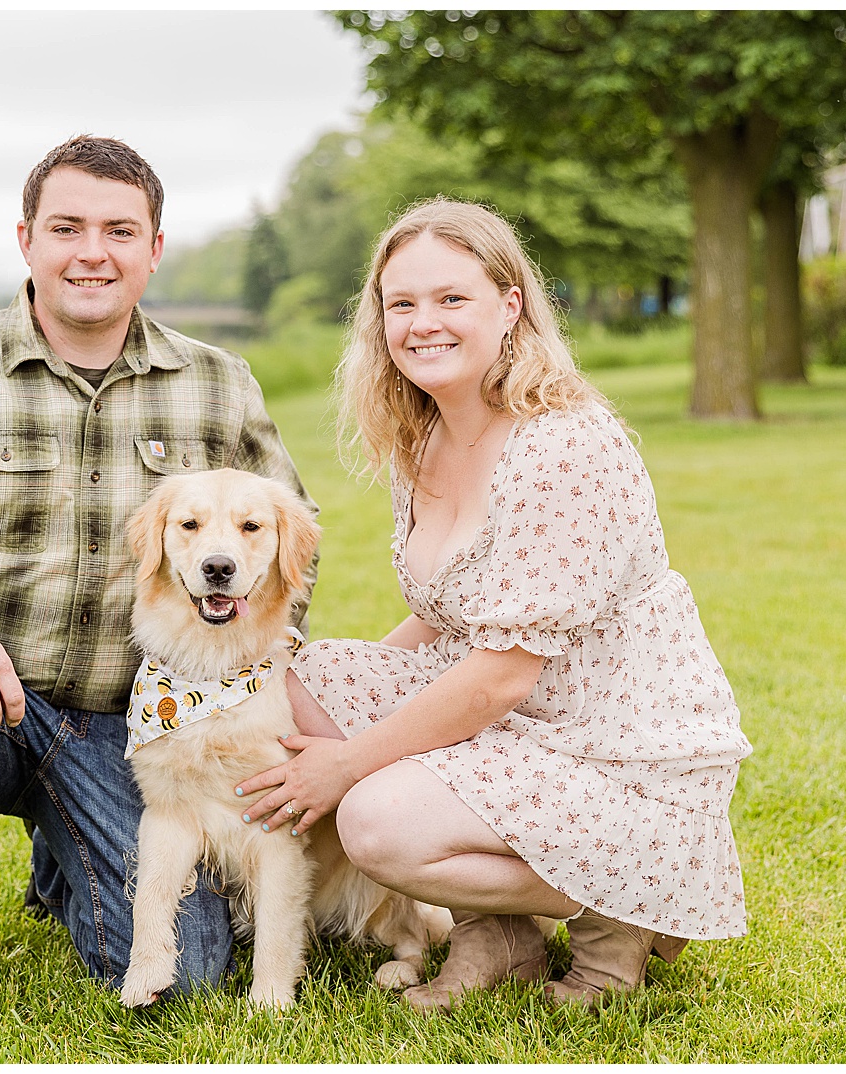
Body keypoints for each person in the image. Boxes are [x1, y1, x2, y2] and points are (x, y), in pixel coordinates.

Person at [0, 135, 315, 1025]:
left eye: (120, 230)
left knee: (193, 973)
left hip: (140, 728)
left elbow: (286, 554)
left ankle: (68, 855)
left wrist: (258, 693)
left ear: (154, 248)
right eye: (68, 228)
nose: (94, 251)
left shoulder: (219, 383)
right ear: (27, 239)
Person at [236, 198, 752, 1012]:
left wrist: (350, 759)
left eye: (451, 299)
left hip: (606, 742)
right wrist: (348, 696)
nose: (422, 323)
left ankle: (618, 913)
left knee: (375, 819)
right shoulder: (425, 431)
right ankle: (499, 938)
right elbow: (449, 614)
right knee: (298, 676)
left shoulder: (562, 445)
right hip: (511, 718)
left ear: (510, 305)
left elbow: (500, 678)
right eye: (400, 303)